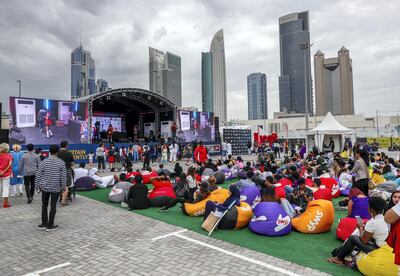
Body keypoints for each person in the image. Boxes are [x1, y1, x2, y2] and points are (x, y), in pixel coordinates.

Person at [328, 197, 388, 266]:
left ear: (371, 209)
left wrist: (360, 228)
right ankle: (344, 256)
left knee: (352, 238)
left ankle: (338, 259)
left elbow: (363, 241)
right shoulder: (385, 219)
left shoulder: (372, 222)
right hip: (384, 246)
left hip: (376, 248)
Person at [35, 144, 67, 231]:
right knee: (53, 206)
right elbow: (63, 176)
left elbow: (38, 175)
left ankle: (43, 224)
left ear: (49, 151)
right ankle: (50, 225)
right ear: (57, 152)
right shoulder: (61, 162)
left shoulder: (44, 162)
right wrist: (63, 187)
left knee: (44, 205)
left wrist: (37, 186)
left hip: (45, 187)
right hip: (56, 188)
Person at [56, 141, 74, 206]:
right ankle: (65, 198)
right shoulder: (69, 153)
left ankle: (61, 197)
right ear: (66, 145)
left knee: (60, 183)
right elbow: (72, 163)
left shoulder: (57, 153)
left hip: (58, 171)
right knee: (67, 185)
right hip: (67, 170)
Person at [0, 143, 13, 208]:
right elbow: (10, 164)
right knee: (6, 188)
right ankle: (6, 203)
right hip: (6, 174)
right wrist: (4, 171)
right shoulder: (9, 156)